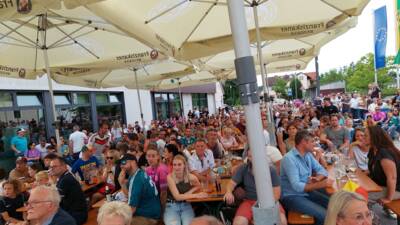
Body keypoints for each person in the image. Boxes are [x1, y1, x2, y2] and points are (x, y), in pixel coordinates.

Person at [280, 130, 333, 225]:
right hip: (291, 196)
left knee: (333, 205)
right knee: (324, 215)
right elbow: (296, 186)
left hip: (306, 191)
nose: (314, 144)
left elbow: (322, 170)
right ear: (303, 142)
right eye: (312, 141)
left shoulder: (307, 155)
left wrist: (317, 179)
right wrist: (320, 184)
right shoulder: (289, 159)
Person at [224, 149, 286, 225]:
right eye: (250, 156)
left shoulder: (270, 170)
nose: (253, 159)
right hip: (249, 201)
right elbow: (231, 183)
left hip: (269, 202)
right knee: (238, 222)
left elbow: (276, 194)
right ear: (248, 157)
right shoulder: (243, 168)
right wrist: (228, 192)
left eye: (255, 156)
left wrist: (264, 210)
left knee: (282, 221)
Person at [118, 154, 161, 225]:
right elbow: (130, 196)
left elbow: (132, 209)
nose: (121, 166)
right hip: (151, 212)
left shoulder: (137, 179)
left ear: (133, 162)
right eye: (120, 163)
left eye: (123, 163)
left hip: (148, 217)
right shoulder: (138, 173)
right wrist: (122, 183)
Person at [164, 155, 207, 225]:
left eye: (179, 164)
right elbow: (177, 197)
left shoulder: (191, 177)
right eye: (174, 165)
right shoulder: (170, 177)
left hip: (186, 205)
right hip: (171, 206)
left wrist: (190, 192)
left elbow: (199, 186)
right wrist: (196, 195)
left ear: (184, 165)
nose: (176, 167)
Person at [365, 126, 400, 204]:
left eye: (366, 135)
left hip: (396, 189)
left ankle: (368, 214)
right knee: (358, 188)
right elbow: (373, 167)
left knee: (361, 196)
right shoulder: (373, 149)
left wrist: (388, 198)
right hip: (382, 185)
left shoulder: (384, 153)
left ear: (374, 137)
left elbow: (392, 178)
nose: (363, 137)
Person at [49, 156, 88, 225]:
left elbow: (56, 201)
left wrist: (52, 184)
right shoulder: (66, 176)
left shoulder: (65, 180)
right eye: (51, 167)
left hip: (76, 216)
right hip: (77, 213)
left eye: (54, 166)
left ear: (64, 166)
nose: (51, 169)